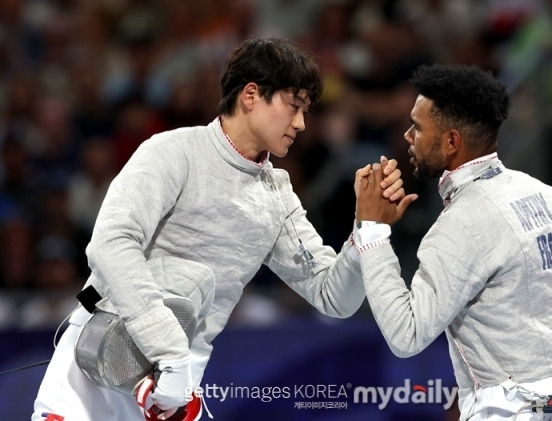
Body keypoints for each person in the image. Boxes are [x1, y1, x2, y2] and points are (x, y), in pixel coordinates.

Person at [31, 37, 409, 421]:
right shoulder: (172, 152)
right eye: (294, 106)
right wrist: (170, 350)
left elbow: (335, 298)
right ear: (250, 95)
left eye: (306, 111)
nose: (301, 123)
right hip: (105, 355)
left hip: (175, 387)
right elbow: (110, 245)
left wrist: (368, 228)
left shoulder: (275, 196)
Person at [352, 63, 552, 420]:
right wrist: (527, 330)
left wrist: (372, 230)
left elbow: (407, 334)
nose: (407, 135)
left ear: (452, 141)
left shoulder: (460, 225)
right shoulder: (549, 197)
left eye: (418, 127)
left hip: (516, 410)